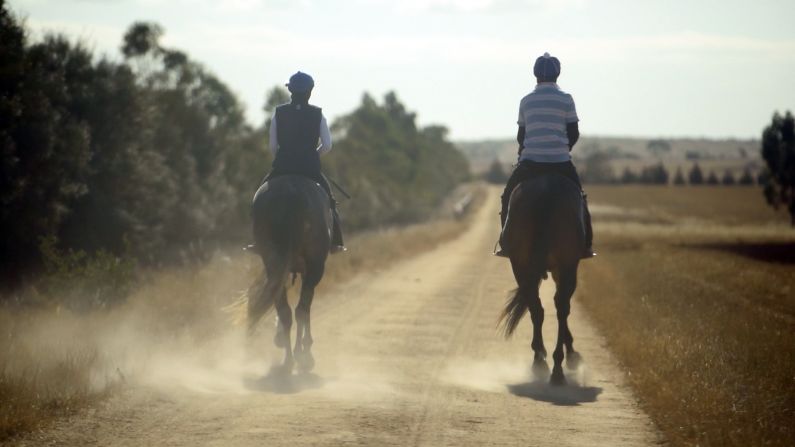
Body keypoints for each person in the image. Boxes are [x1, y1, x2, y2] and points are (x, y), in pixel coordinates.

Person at [495, 53, 593, 259]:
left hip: (530, 164)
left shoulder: (526, 101)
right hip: (560, 163)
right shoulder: (566, 99)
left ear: (535, 75)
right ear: (558, 75)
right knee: (580, 198)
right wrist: (562, 149)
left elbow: (521, 136)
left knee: (507, 197)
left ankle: (506, 242)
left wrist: (526, 150)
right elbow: (574, 133)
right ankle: (585, 244)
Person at [262, 71, 345, 253]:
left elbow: (272, 146)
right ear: (310, 91)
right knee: (330, 202)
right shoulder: (318, 115)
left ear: (290, 90)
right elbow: (328, 145)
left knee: (259, 200)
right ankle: (335, 242)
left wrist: (284, 156)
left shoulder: (279, 113)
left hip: (282, 167)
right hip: (310, 168)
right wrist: (312, 155)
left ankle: (258, 240)